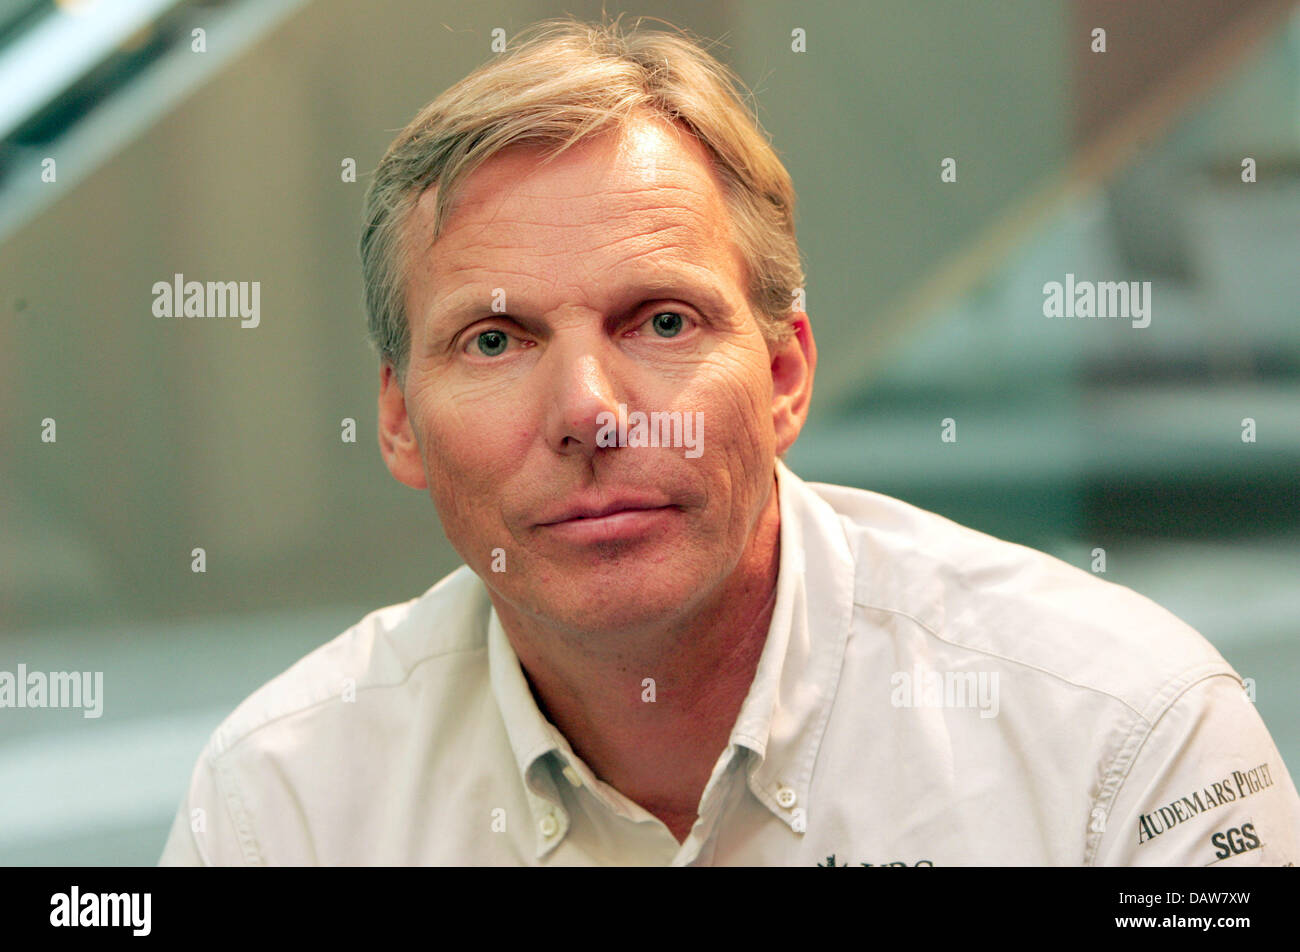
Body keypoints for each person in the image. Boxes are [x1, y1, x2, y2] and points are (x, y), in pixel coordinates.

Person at [158, 17, 1300, 866]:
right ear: (400, 419)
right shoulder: (282, 805)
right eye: (496, 338)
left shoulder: (1124, 737)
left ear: (787, 374)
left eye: (659, 320)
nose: (590, 411)